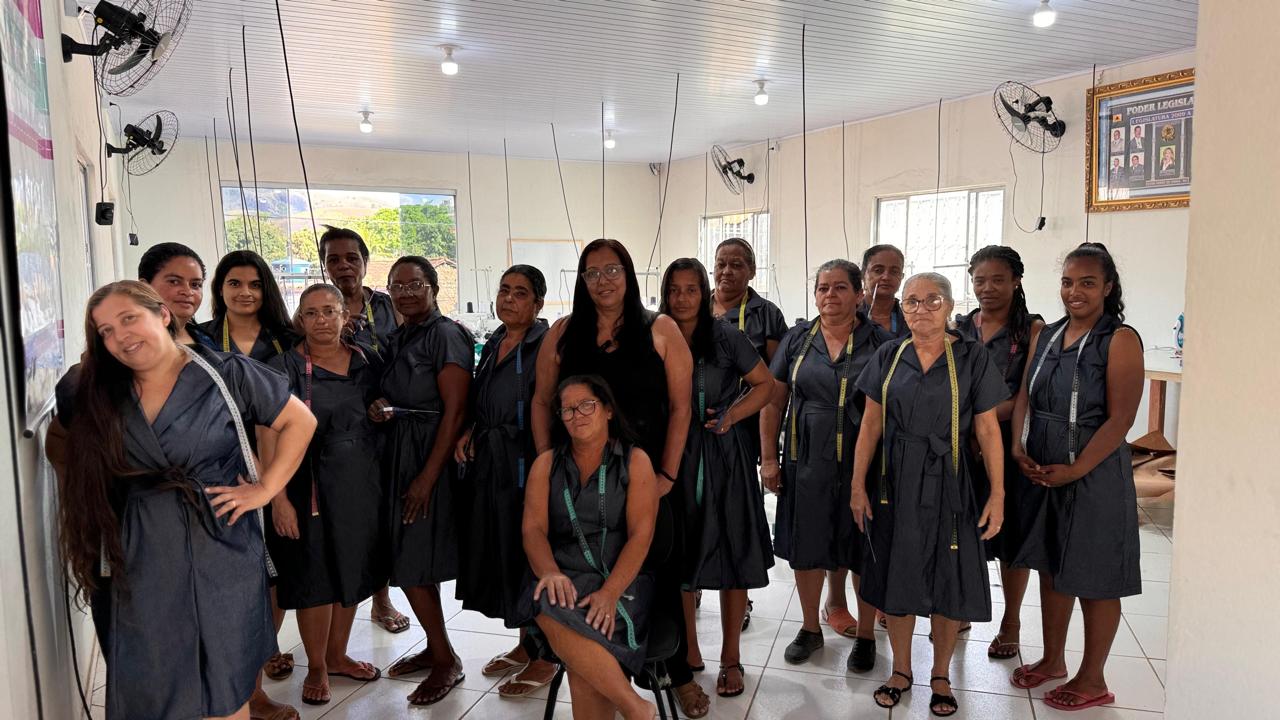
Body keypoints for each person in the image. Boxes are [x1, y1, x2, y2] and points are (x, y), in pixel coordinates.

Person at [49, 280, 315, 720]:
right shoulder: (92, 388)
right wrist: (93, 496)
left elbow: (299, 422)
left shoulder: (226, 373)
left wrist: (266, 490)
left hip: (220, 544)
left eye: (129, 319)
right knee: (153, 678)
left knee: (225, 680)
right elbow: (58, 442)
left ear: (162, 315)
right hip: (140, 547)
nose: (120, 336)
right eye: (106, 331)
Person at [531, 239, 705, 717]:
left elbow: (681, 408)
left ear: (629, 275)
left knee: (660, 580)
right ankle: (625, 692)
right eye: (592, 273)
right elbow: (543, 401)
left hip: (647, 478)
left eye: (612, 270)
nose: (603, 280)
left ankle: (677, 675)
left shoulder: (660, 329)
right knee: (580, 565)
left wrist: (667, 472)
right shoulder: (564, 333)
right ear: (581, 280)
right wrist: (549, 466)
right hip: (580, 482)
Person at [849, 272, 1008, 718]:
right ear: (902, 309)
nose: (921, 309)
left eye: (932, 300)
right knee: (898, 573)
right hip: (895, 480)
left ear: (951, 305)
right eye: (912, 302)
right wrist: (858, 486)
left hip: (950, 479)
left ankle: (940, 674)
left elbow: (987, 429)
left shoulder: (972, 357)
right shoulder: (889, 354)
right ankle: (901, 670)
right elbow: (870, 425)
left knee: (947, 576)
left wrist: (997, 494)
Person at [1009, 243, 1144, 712]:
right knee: (1051, 565)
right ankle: (1052, 660)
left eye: (1087, 282)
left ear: (1108, 287)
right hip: (1045, 467)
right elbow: (1025, 394)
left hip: (1093, 471)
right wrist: (1018, 447)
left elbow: (1121, 419)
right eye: (1067, 282)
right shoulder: (1047, 334)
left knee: (1095, 575)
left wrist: (1077, 470)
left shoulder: (1119, 339)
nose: (1074, 291)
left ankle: (1093, 678)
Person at [760, 259, 891, 671]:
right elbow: (773, 400)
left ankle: (866, 635)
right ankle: (809, 628)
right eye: (822, 288)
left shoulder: (881, 342)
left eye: (839, 287)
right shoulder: (798, 339)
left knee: (864, 545)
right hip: (805, 458)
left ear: (859, 294)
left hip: (864, 458)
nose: (830, 295)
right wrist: (769, 458)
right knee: (807, 544)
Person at [263, 285, 385, 706]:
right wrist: (277, 498)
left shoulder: (367, 360)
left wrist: (381, 410)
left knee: (351, 569)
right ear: (300, 319)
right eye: (311, 313)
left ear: (344, 316)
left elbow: (378, 409)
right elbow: (266, 433)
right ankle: (316, 664)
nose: (321, 320)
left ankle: (337, 655)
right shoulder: (283, 367)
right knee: (314, 575)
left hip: (359, 483)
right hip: (305, 483)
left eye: (330, 311)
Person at [661, 258, 775, 698]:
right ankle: (688, 651)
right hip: (675, 456)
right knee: (680, 555)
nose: (682, 298)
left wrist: (732, 414)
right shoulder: (656, 335)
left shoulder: (726, 335)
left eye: (691, 289)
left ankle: (731, 656)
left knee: (733, 553)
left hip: (724, 456)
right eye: (674, 290)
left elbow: (765, 385)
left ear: (703, 292)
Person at [522, 376, 659, 720]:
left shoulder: (635, 461)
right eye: (567, 410)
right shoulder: (546, 465)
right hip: (565, 575)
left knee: (581, 664)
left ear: (608, 410)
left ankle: (636, 709)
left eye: (586, 405)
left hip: (622, 580)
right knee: (545, 594)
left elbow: (641, 536)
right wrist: (549, 571)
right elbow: (533, 529)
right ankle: (635, 707)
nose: (577, 415)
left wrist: (610, 593)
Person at [370, 256, 473, 706]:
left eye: (415, 284)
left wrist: (428, 478)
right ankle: (435, 647)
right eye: (397, 285)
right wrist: (379, 405)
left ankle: (447, 659)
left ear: (433, 287)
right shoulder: (398, 336)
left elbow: (455, 410)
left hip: (431, 456)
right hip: (399, 450)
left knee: (413, 559)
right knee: (411, 558)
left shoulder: (445, 334)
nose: (406, 292)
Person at [454, 265, 560, 697]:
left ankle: (546, 657)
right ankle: (524, 644)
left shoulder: (547, 344)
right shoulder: (497, 340)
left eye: (520, 293)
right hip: (492, 463)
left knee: (531, 557)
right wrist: (471, 431)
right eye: (504, 290)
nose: (509, 299)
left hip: (529, 461)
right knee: (507, 555)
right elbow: (485, 399)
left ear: (538, 303)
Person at [954, 246, 1044, 660]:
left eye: (997, 280)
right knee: (962, 531)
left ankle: (1011, 621)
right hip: (962, 442)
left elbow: (1026, 391)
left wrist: (984, 421)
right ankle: (960, 608)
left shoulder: (1033, 329)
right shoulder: (960, 327)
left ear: (1016, 281)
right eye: (979, 280)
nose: (987, 288)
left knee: (1011, 537)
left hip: (1009, 440)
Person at [318, 225, 409, 635]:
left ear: (366, 262)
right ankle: (336, 602)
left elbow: (409, 348)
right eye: (334, 259)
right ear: (324, 265)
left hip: (387, 425)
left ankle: (381, 600)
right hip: (338, 430)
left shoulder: (388, 306)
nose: (344, 266)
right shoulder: (319, 308)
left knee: (382, 517)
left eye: (352, 258)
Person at [706, 237, 787, 632]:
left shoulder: (766, 315)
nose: (727, 271)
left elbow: (774, 384)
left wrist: (768, 452)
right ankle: (695, 583)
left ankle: (740, 594)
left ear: (752, 271)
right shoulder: (695, 306)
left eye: (737, 264)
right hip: (697, 431)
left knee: (736, 519)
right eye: (721, 263)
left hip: (742, 431)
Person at [200, 250, 296, 362]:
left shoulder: (288, 340)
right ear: (220, 289)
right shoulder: (199, 338)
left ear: (266, 289)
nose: (245, 293)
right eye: (234, 284)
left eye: (255, 285)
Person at [137, 242, 217, 348]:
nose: (188, 292)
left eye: (195, 284)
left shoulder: (206, 339)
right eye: (174, 282)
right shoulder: (129, 343)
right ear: (145, 287)